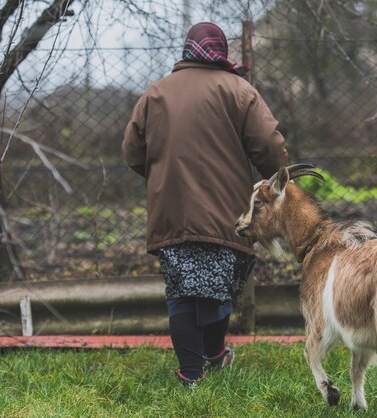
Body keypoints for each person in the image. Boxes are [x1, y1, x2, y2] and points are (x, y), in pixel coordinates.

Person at [122, 22, 288, 386]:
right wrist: (278, 182)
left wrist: (162, 178)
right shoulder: (239, 90)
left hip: (172, 211)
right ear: (220, 51)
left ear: (187, 50)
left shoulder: (156, 93)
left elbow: (133, 152)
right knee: (219, 285)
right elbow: (270, 149)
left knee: (182, 291)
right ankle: (211, 356)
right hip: (227, 213)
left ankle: (192, 372)